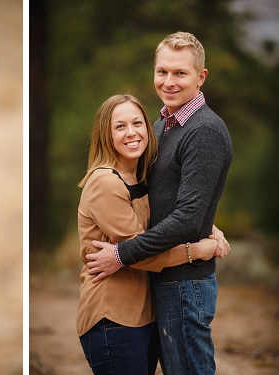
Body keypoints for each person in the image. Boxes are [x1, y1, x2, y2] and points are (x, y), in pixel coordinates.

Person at [86, 32, 234, 374]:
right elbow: (164, 197)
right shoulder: (161, 125)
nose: (168, 82)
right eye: (162, 72)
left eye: (180, 73)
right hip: (162, 276)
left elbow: (185, 218)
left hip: (185, 283)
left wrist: (121, 254)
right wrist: (209, 224)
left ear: (201, 77)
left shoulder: (204, 131)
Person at [76, 94, 219, 375]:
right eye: (120, 126)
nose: (131, 133)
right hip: (113, 316)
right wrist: (198, 250)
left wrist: (211, 228)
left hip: (142, 316)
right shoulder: (106, 182)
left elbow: (166, 218)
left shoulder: (140, 176)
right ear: (106, 135)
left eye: (137, 123)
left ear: (148, 128)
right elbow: (139, 253)